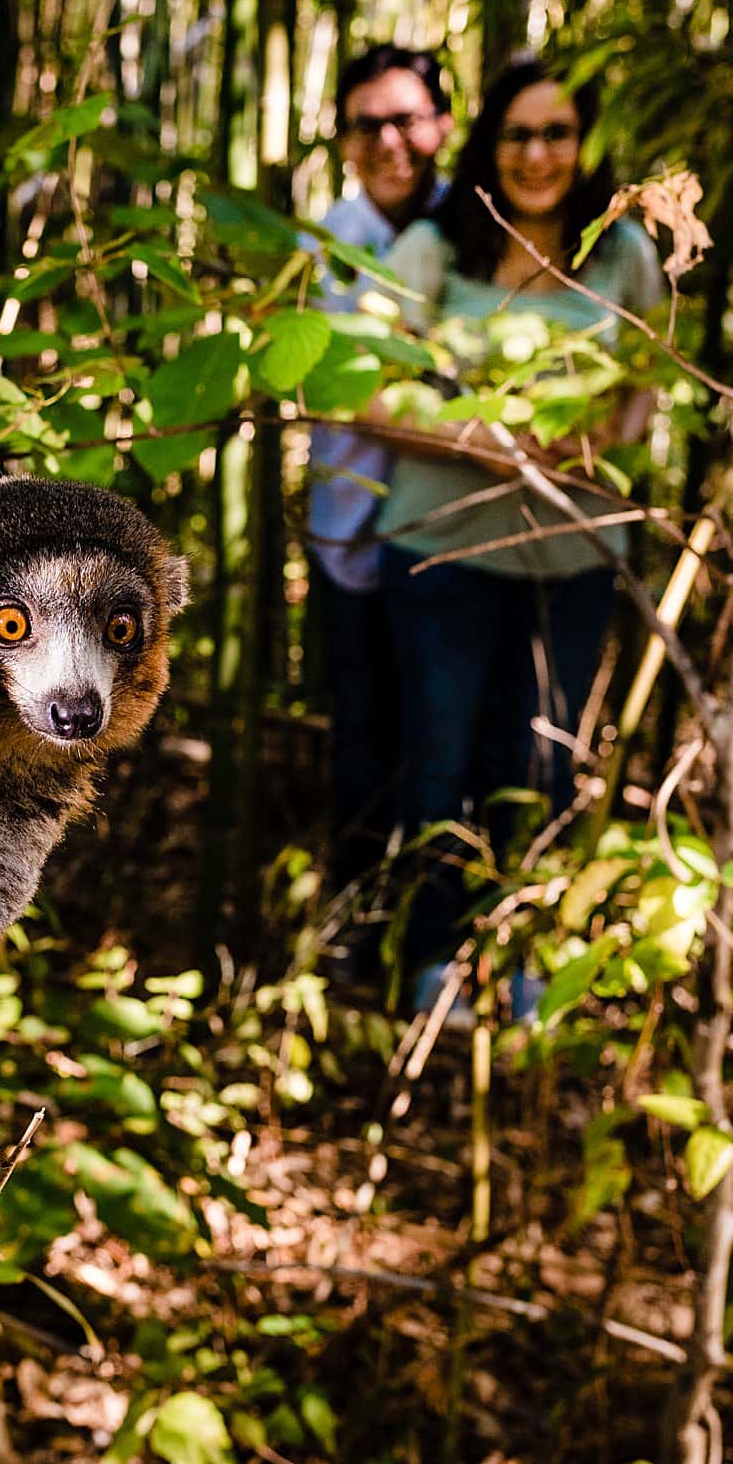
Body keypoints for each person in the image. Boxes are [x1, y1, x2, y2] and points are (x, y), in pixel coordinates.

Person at [369, 56, 665, 1014]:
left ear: (584, 146)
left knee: (539, 764)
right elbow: (361, 391)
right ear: (489, 147)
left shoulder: (624, 254)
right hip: (440, 552)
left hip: (572, 557)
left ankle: (519, 959)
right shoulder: (433, 249)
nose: (539, 155)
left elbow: (641, 397)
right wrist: (485, 441)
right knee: (440, 759)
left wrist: (586, 440)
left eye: (558, 133)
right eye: (519, 134)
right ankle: (429, 966)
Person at [308, 45, 453, 899]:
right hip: (352, 541)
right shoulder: (320, 246)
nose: (389, 140)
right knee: (364, 740)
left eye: (405, 118)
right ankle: (357, 925)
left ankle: (441, 929)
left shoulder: (480, 230)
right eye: (367, 124)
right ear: (344, 139)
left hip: (457, 537)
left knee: (452, 739)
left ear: (442, 125)